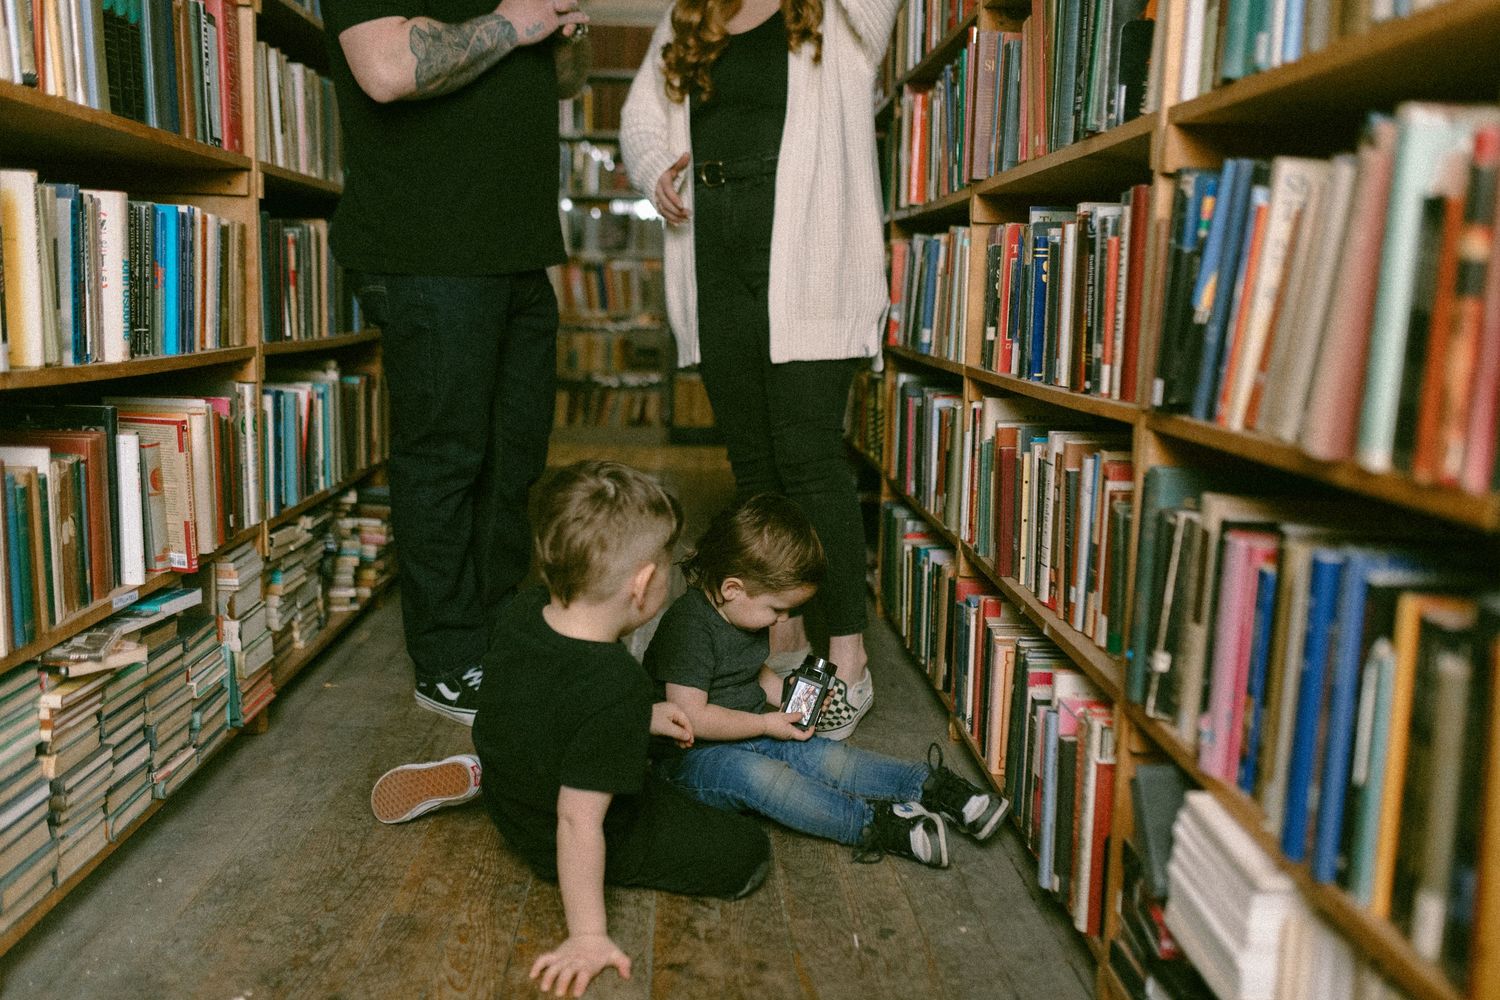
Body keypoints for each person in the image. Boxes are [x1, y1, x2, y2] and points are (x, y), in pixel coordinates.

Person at [620, 0, 902, 740]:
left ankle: (848, 657)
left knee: (809, 457)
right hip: (711, 246)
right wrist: (654, 169)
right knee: (754, 464)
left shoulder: (836, 12)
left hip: (808, 245)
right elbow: (641, 117)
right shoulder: (692, 16)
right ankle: (782, 641)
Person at [324, 0, 591, 725]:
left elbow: (565, 81)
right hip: (428, 248)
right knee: (445, 459)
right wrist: (517, 22)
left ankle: (498, 638)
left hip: (519, 249)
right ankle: (445, 662)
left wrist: (565, 29)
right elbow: (383, 69)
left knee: (515, 460)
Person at [645, 494, 1011, 869]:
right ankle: (873, 825)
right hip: (690, 760)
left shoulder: (744, 612)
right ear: (732, 589)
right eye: (777, 609)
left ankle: (930, 786)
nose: (783, 619)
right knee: (764, 779)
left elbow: (750, 670)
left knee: (826, 755)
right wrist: (766, 723)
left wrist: (788, 699)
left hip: (750, 731)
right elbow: (690, 717)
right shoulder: (688, 626)